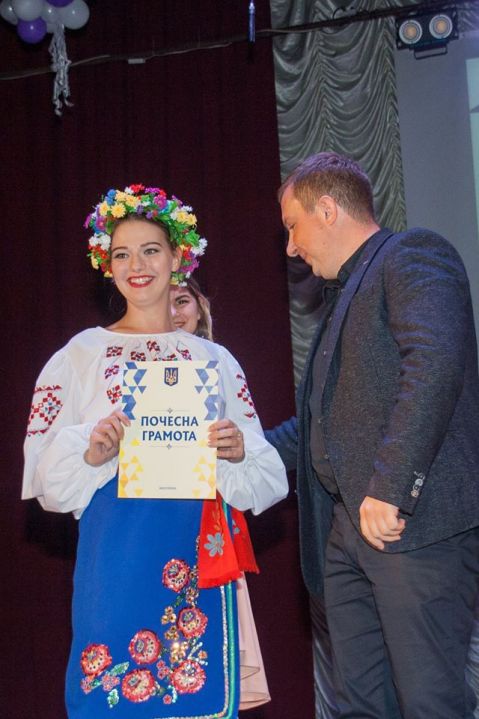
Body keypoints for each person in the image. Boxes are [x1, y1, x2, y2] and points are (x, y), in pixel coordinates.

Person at [22, 184, 288, 719]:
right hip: (115, 551)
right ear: (107, 266)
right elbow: (44, 480)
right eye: (122, 254)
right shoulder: (80, 356)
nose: (137, 266)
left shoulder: (215, 360)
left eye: (150, 250)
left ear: (177, 258)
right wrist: (92, 452)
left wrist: (236, 451)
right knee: (112, 695)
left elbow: (265, 476)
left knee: (193, 697)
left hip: (194, 549)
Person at [269, 152, 479, 718]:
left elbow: (435, 363)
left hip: (410, 524)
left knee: (430, 703)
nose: (290, 247)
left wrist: (391, 488)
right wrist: (249, 450)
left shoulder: (412, 254)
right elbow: (324, 420)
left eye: (292, 226)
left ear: (327, 209)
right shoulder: (343, 295)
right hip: (346, 531)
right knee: (360, 706)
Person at [169, 277, 273, 711]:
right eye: (163, 301)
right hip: (145, 517)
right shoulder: (119, 359)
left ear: (200, 307)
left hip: (205, 517)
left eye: (182, 300)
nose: (174, 312)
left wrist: (237, 447)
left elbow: (255, 446)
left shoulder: (221, 363)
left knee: (208, 650)